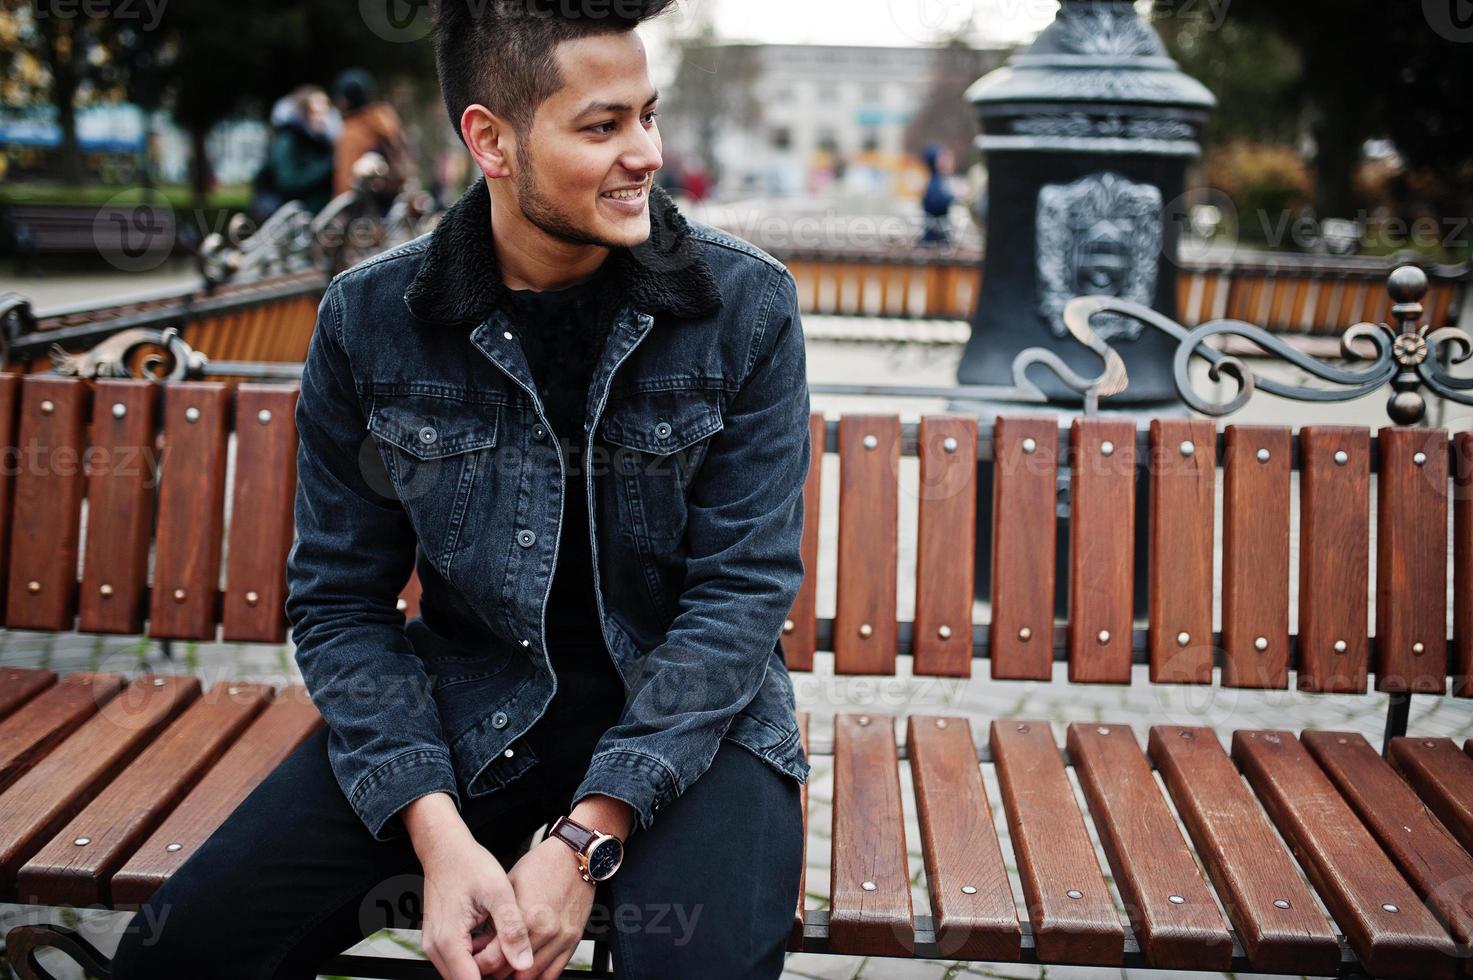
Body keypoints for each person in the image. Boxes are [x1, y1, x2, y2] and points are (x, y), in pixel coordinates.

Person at [110, 2, 811, 979]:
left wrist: (583, 841)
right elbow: (340, 603)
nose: (646, 153)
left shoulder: (743, 307)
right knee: (176, 954)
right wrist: (435, 839)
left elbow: (740, 597)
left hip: (693, 719)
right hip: (467, 700)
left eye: (648, 114)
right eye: (602, 125)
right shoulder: (372, 321)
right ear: (491, 139)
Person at [331, 67, 417, 212]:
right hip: (395, 202)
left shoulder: (353, 131)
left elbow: (344, 184)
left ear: (345, 101)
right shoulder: (386, 118)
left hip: (364, 216)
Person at [250, 86, 338, 221]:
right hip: (288, 218)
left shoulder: (322, 141)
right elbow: (288, 181)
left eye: (325, 112)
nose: (322, 118)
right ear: (303, 113)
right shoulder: (287, 141)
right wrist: (326, 167)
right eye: (316, 112)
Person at [918, 142, 956, 246]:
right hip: (933, 241)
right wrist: (954, 197)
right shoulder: (934, 184)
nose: (949, 161)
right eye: (943, 158)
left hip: (939, 239)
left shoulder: (941, 182)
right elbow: (937, 203)